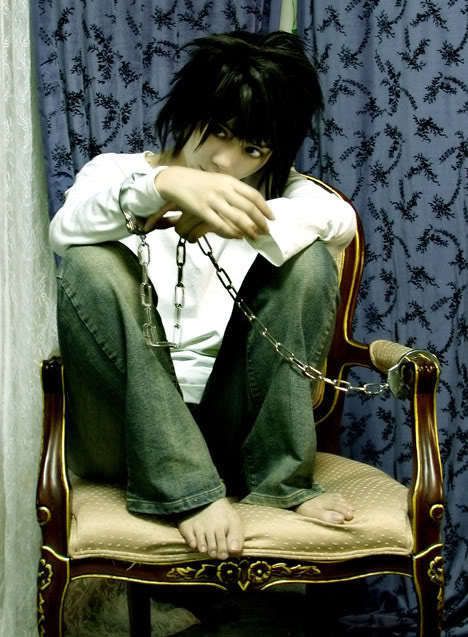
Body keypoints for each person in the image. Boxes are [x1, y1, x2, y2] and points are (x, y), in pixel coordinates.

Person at [50, 30, 357, 562]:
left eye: (252, 149)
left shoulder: (285, 195)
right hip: (122, 435)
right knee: (90, 259)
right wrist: (162, 185)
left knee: (307, 259)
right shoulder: (116, 173)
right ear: (188, 110)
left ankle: (280, 482)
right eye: (218, 131)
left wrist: (238, 216)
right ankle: (187, 490)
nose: (224, 162)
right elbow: (65, 229)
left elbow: (340, 220)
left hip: (232, 431)